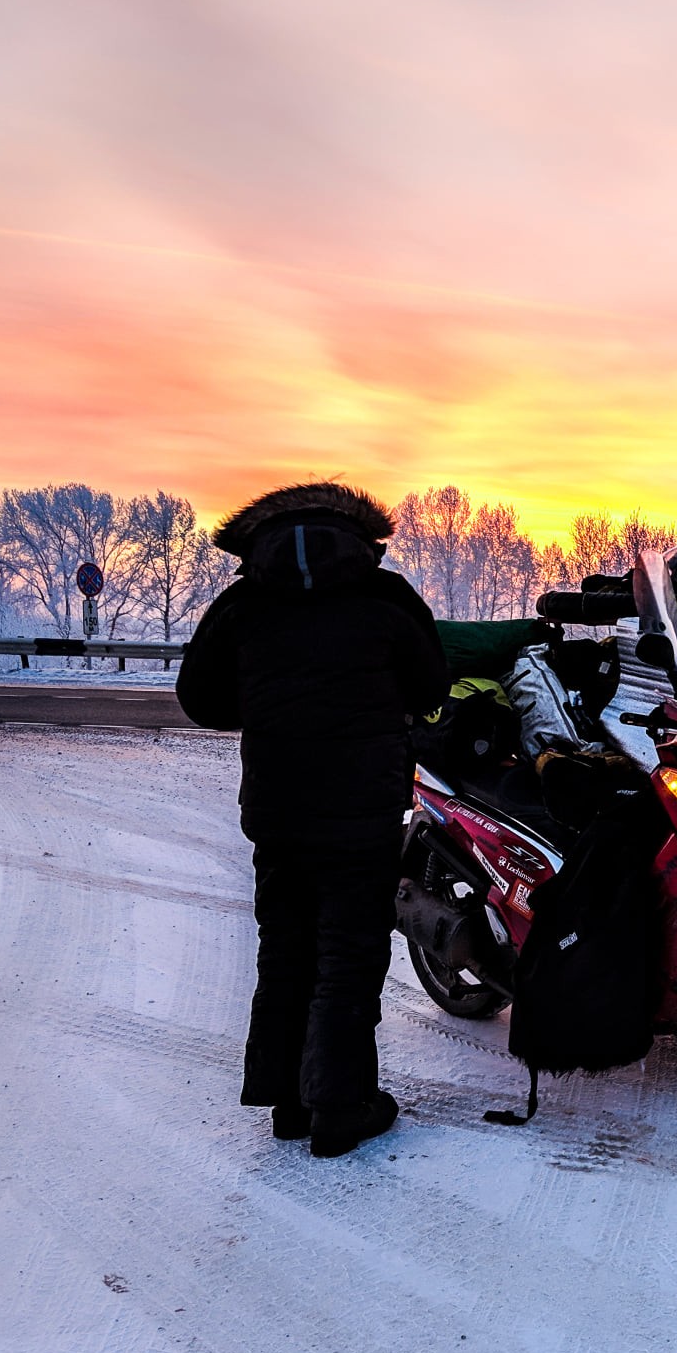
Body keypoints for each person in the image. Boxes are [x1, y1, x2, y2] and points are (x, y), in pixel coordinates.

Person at [177, 482, 448, 1158]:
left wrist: (270, 705)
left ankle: (289, 1105)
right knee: (349, 959)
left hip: (278, 810)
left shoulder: (242, 605)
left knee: (286, 951)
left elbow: (200, 700)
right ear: (361, 536)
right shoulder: (386, 599)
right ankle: (341, 1107)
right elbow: (432, 688)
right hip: (363, 810)